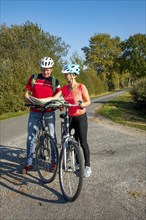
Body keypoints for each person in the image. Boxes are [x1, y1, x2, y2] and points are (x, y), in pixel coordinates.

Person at [40, 64, 92, 178]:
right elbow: (55, 98)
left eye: (67, 74)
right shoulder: (64, 88)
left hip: (80, 117)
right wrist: (52, 104)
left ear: (73, 75)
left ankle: (87, 166)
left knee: (82, 142)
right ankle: (76, 163)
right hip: (69, 117)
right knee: (68, 140)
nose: (65, 76)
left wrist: (83, 104)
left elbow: (88, 101)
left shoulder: (81, 87)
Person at [22, 57, 61, 174]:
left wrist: (56, 99)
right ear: (41, 68)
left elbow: (59, 93)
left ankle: (54, 162)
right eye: (44, 69)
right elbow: (27, 92)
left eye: (48, 70)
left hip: (49, 111)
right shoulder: (34, 78)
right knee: (30, 137)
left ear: (52, 69)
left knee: (52, 136)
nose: (46, 72)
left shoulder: (55, 81)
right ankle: (29, 163)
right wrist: (26, 97)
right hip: (35, 111)